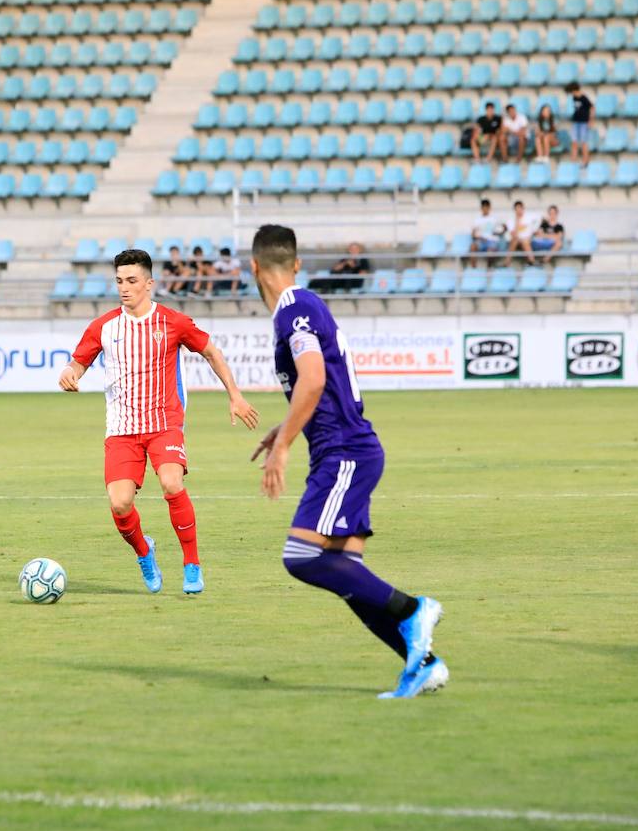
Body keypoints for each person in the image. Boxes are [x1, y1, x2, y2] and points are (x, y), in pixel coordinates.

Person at [247, 224, 446, 699]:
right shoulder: (303, 307)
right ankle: (423, 665)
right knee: (346, 574)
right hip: (347, 449)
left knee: (301, 557)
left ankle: (412, 609)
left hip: (344, 454)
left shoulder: (293, 308)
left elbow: (313, 380)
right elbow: (316, 386)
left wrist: (283, 447)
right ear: (295, 263)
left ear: (253, 267)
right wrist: (285, 428)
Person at [57, 249, 259, 595]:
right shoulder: (103, 327)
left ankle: (191, 564)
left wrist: (235, 394)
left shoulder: (173, 322)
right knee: (120, 503)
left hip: (163, 422)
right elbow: (78, 362)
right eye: (119, 281)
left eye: (132, 281)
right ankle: (144, 551)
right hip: (121, 428)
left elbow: (211, 351)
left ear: (149, 283)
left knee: (171, 482)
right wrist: (68, 373)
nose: (125, 288)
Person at [469, 198, 502, 266]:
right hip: (481, 241)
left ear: (489, 208)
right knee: (472, 246)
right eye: (483, 207)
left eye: (486, 207)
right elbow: (473, 234)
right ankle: (473, 268)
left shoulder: (494, 219)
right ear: (481, 208)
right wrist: (479, 237)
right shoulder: (477, 220)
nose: (485, 209)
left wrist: (497, 231)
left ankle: (488, 269)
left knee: (490, 251)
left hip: (491, 241)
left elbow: (500, 230)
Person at [567, 82, 592, 167]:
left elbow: (592, 108)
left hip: (583, 122)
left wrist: (590, 120)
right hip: (576, 122)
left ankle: (586, 161)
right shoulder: (573, 98)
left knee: (583, 142)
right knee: (574, 142)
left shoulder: (584, 97)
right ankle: (573, 162)